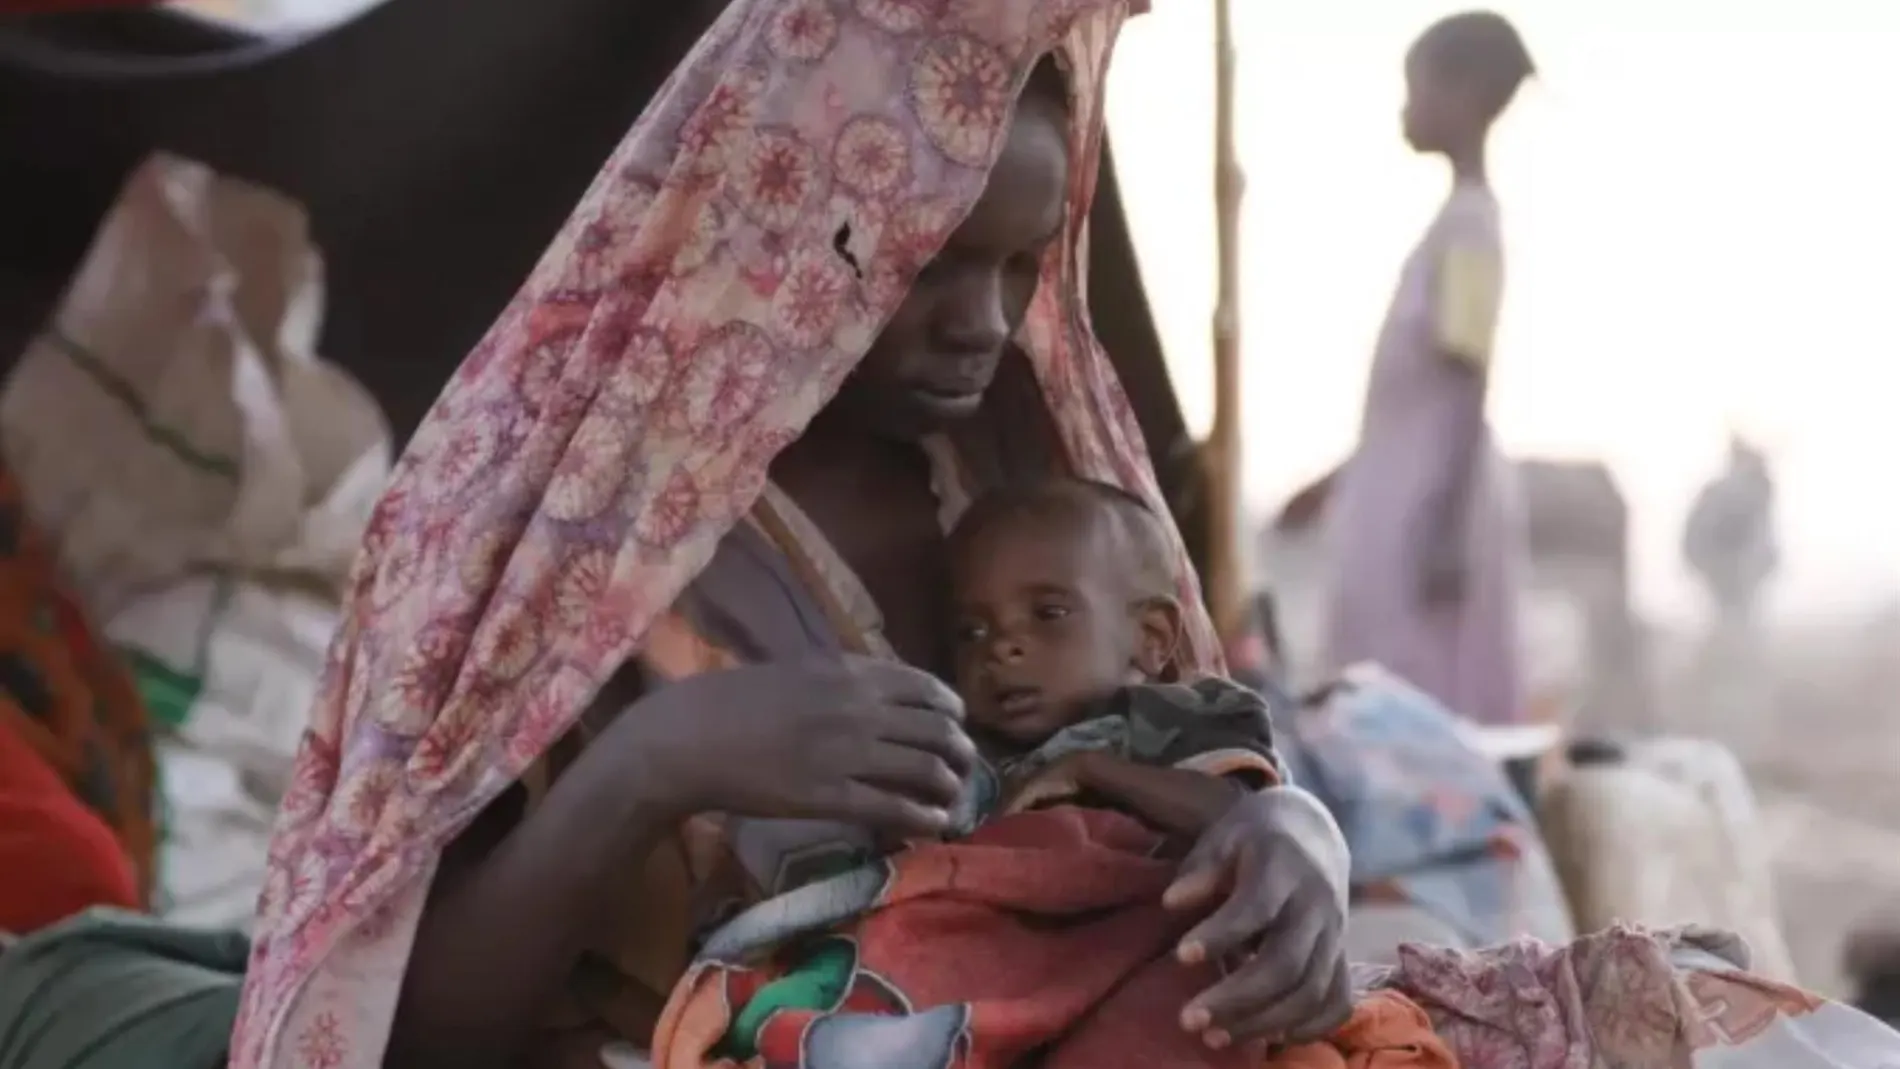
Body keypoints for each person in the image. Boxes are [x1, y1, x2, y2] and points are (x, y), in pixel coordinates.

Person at [228, 5, 1354, 1068]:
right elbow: (404, 1033)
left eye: (1021, 266)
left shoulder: (1023, 480)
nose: (988, 324)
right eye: (928, 262)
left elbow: (1184, 753)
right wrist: (650, 765)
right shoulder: (547, 541)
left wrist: (1294, 838)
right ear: (776, 219)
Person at [1321, 10, 1534, 726]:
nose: (1406, 109)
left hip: (1431, 503)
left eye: (1417, 90)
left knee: (1419, 693)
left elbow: (1471, 378)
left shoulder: (1472, 225)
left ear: (1466, 94)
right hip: (1407, 492)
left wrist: (1448, 523)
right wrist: (1333, 481)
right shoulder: (1452, 224)